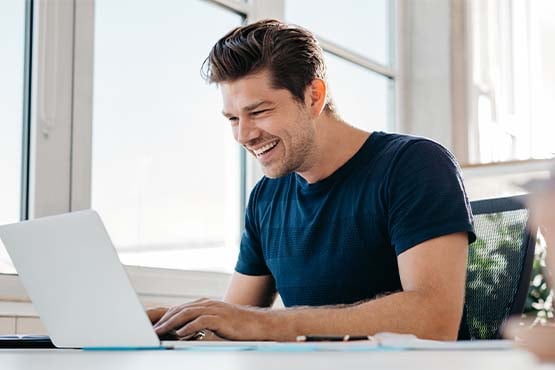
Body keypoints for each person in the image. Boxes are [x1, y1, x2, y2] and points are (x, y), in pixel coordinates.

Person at [149, 19, 475, 342]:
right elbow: (238, 322)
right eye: (233, 118)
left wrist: (270, 324)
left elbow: (436, 320)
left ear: (313, 97)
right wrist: (180, 327)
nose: (243, 135)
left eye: (259, 112)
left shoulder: (413, 165)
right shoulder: (266, 198)